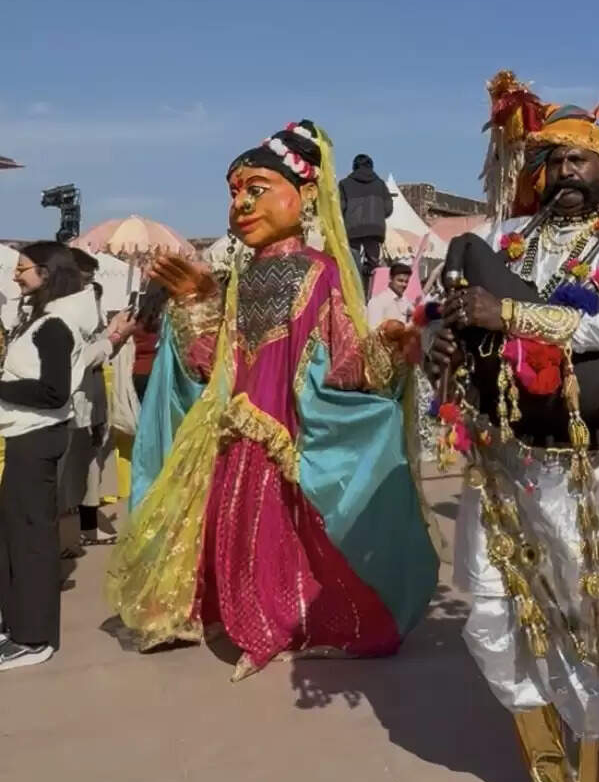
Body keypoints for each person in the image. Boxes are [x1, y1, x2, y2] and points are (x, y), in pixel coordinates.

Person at [108, 120, 438, 681]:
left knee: (285, 536)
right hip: (234, 430)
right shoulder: (240, 275)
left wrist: (384, 352)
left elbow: (341, 362)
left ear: (305, 195)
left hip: (286, 432)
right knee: (235, 533)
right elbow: (212, 362)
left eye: (256, 189)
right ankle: (245, 621)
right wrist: (197, 305)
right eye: (235, 192)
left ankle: (283, 625)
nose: (241, 204)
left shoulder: (321, 272)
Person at [429, 99, 599, 782]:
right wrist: (440, 338)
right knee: (489, 616)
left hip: (583, 471)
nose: (563, 175)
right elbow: (442, 316)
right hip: (495, 462)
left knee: (593, 626)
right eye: (550, 161)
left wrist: (510, 312)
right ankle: (548, 779)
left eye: (578, 160)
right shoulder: (497, 243)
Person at [0, 242, 102, 669]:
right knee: (12, 539)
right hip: (24, 437)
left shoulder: (56, 326)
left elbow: (53, 392)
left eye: (22, 269)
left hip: (38, 438)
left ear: (47, 273)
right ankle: (14, 624)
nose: (15, 276)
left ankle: (35, 637)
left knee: (32, 543)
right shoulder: (40, 320)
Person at [58, 251, 135, 552]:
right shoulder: (61, 314)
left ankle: (78, 533)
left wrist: (114, 332)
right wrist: (114, 338)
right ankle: (62, 542)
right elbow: (82, 358)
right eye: (85, 278)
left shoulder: (84, 309)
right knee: (67, 474)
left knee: (87, 468)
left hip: (89, 403)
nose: (90, 286)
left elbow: (95, 349)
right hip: (70, 405)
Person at [339, 153, 393, 297]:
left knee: (353, 265)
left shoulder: (344, 184)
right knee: (374, 265)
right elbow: (388, 209)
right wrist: (377, 216)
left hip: (352, 229)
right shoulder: (380, 184)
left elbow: (340, 208)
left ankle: (356, 295)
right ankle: (373, 294)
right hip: (375, 229)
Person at [365, 255, 413, 328]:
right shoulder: (378, 301)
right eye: (400, 281)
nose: (404, 284)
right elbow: (373, 332)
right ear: (391, 278)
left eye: (406, 282)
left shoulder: (405, 301)